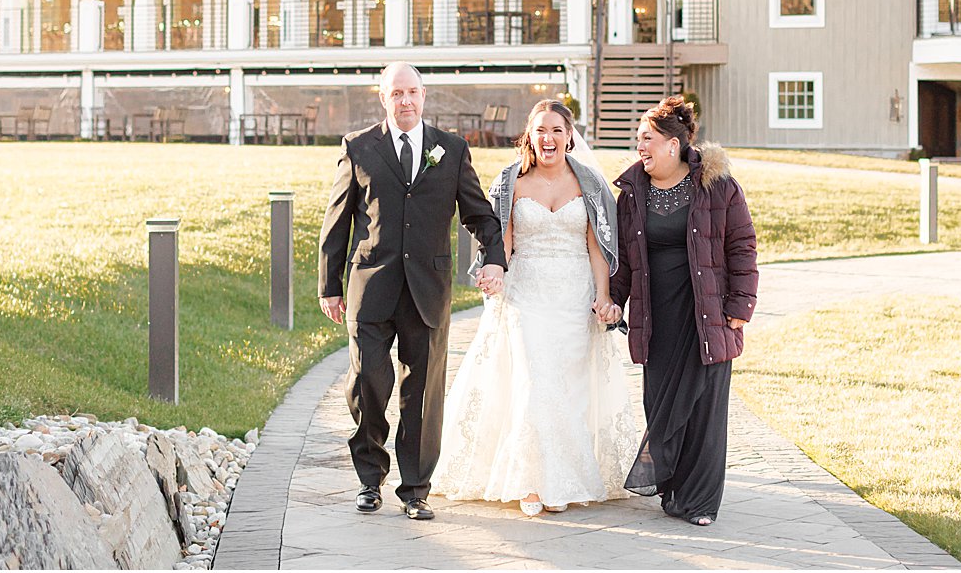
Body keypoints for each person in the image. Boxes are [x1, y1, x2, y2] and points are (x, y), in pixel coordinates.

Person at [318, 62, 507, 521]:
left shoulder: (452, 149)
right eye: (396, 93)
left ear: (424, 96)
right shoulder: (359, 147)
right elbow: (338, 218)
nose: (405, 101)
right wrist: (329, 284)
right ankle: (369, 478)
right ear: (383, 98)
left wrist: (495, 257)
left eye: (412, 93)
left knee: (422, 391)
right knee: (368, 381)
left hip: (428, 288)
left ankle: (416, 488)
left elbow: (479, 214)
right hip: (370, 284)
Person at [432, 100, 637, 516]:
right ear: (530, 136)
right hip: (527, 294)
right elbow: (501, 242)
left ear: (569, 136)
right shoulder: (511, 182)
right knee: (534, 380)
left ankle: (562, 477)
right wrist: (495, 273)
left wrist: (603, 296)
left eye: (557, 130)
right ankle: (529, 481)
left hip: (575, 294)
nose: (549, 138)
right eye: (541, 130)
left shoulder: (590, 184)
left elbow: (597, 248)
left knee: (568, 387)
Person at [609, 95, 758, 527]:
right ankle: (673, 490)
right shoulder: (633, 193)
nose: (640, 147)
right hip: (658, 320)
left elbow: (742, 247)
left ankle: (700, 502)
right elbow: (623, 257)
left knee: (704, 409)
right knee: (661, 406)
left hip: (707, 317)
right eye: (638, 139)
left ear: (673, 145)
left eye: (647, 139)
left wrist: (740, 306)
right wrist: (613, 300)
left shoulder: (718, 187)